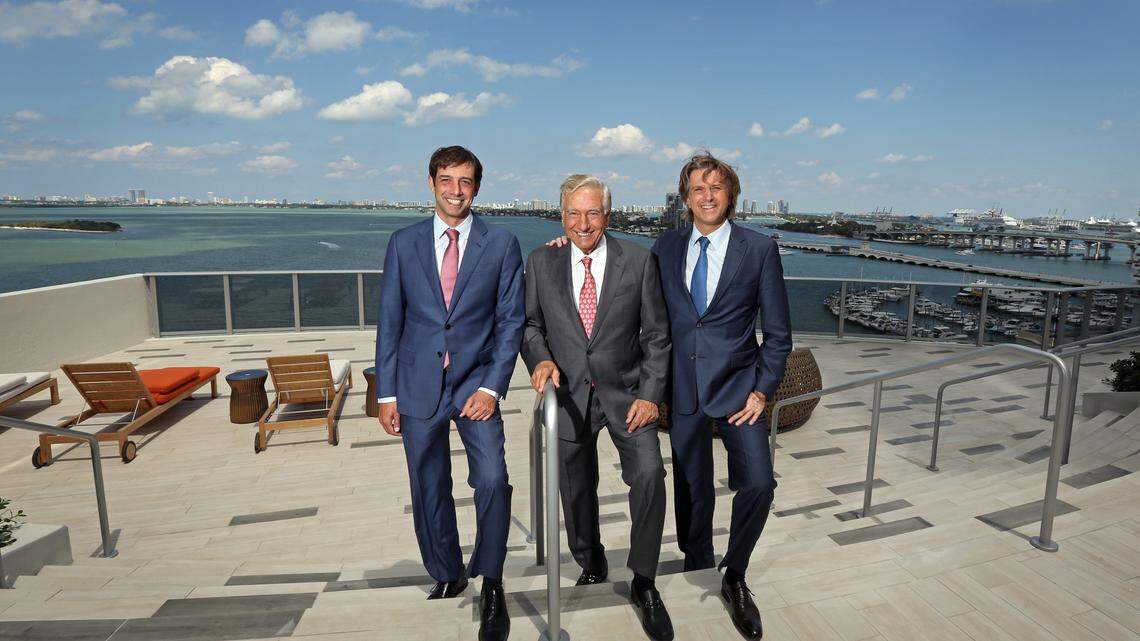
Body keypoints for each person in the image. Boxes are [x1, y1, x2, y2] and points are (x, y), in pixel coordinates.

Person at [375, 145, 523, 641]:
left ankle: (493, 578)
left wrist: (492, 386)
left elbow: (510, 322)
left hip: (475, 384)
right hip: (417, 385)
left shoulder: (501, 244)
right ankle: (447, 571)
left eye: (465, 181)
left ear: (477, 187)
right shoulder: (403, 242)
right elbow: (390, 322)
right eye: (446, 180)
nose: (455, 190)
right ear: (431, 183)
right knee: (428, 486)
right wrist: (386, 394)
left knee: (492, 480)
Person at [523, 175, 674, 641]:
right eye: (573, 213)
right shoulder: (541, 261)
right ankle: (591, 560)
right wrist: (541, 358)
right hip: (567, 396)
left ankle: (644, 581)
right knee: (575, 487)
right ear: (561, 215)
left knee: (649, 475)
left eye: (592, 213)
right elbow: (529, 325)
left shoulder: (638, 260)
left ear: (608, 215)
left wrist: (650, 395)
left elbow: (657, 335)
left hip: (628, 396)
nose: (583, 223)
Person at [651, 153, 792, 639]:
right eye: (697, 188)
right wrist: (572, 245)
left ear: (731, 194)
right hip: (683, 388)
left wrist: (762, 390)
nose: (706, 196)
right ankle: (697, 562)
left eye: (716, 187)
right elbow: (634, 294)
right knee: (691, 488)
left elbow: (778, 334)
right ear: (685, 198)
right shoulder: (664, 246)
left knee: (758, 482)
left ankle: (735, 574)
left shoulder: (758, 249)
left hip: (739, 391)